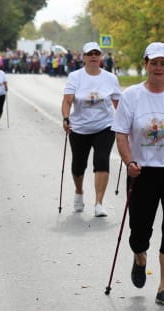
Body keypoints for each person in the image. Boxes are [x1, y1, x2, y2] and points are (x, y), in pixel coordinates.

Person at [111, 42, 164, 306]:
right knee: (139, 231)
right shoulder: (131, 96)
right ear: (146, 64)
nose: (158, 67)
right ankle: (140, 257)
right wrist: (129, 162)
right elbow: (121, 135)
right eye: (154, 62)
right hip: (142, 171)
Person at [61, 42, 121, 217]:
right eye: (90, 54)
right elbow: (67, 101)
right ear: (84, 57)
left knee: (102, 160)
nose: (94, 56)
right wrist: (66, 117)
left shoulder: (110, 78)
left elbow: (118, 104)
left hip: (105, 126)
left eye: (97, 53)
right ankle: (79, 191)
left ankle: (99, 203)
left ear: (101, 57)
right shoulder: (75, 77)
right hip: (79, 128)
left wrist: (127, 123)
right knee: (78, 165)